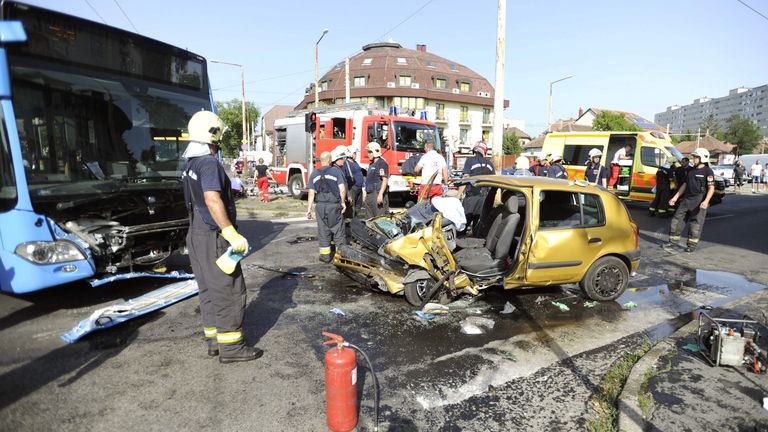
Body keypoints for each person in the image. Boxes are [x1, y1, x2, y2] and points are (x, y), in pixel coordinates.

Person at [181, 110, 261, 363]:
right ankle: (232, 349)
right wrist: (230, 232)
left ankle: (214, 340)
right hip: (212, 235)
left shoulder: (191, 164)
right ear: (213, 136)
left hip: (196, 235)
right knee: (229, 290)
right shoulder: (208, 163)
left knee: (208, 289)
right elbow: (211, 198)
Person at [664, 148, 715, 253]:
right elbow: (685, 185)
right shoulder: (691, 170)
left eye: (696, 157)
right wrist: (675, 197)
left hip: (699, 200)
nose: (694, 159)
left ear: (702, 158)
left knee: (695, 224)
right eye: (694, 157)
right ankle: (673, 242)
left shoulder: (707, 171)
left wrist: (705, 201)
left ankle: (691, 245)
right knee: (677, 219)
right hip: (686, 199)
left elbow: (711, 188)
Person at [306, 150, 347, 263]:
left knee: (323, 231)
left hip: (320, 207)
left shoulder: (314, 174)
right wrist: (343, 202)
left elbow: (311, 193)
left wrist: (309, 209)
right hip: (333, 206)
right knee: (338, 231)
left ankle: (325, 257)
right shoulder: (335, 171)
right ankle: (341, 257)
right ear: (329, 160)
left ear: (320, 161)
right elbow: (342, 189)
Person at [458, 141, 495, 232]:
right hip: (485, 198)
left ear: (474, 151)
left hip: (472, 197)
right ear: (484, 151)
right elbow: (493, 181)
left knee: (464, 223)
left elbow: (465, 178)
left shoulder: (470, 161)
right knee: (478, 225)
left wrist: (458, 194)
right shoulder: (490, 164)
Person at [363, 142, 389, 217]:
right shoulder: (371, 164)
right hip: (370, 195)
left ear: (375, 152)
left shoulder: (382, 163)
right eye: (368, 152)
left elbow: (385, 180)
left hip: (377, 194)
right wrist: (365, 193)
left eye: (370, 152)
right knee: (369, 219)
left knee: (379, 219)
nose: (368, 154)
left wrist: (380, 194)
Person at [337, 146, 364, 218]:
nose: (356, 155)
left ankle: (355, 218)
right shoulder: (346, 163)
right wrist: (348, 193)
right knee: (351, 207)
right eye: (355, 153)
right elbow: (343, 178)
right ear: (350, 154)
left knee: (359, 205)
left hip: (359, 188)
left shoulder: (355, 162)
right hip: (352, 188)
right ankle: (350, 222)